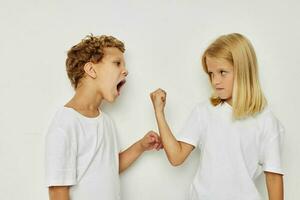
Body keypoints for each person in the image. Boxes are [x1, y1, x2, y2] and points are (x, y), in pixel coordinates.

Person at [150, 33, 284, 200]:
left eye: (222, 72)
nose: (215, 81)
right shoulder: (203, 112)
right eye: (211, 74)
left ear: (243, 71)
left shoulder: (266, 121)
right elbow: (176, 157)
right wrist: (159, 112)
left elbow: (273, 177)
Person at [45, 34, 162, 200]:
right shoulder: (65, 124)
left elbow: (110, 167)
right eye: (117, 63)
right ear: (91, 70)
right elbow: (58, 192)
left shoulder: (105, 121)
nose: (125, 71)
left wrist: (140, 146)